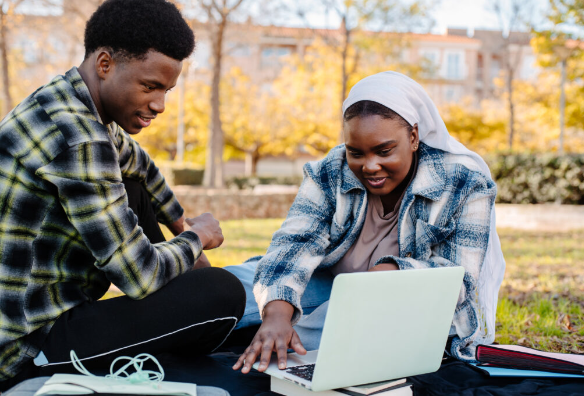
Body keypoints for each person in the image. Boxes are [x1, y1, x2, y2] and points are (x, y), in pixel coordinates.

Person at [0, 0, 245, 390]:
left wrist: (180, 222)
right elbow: (138, 275)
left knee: (133, 188)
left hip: (41, 315)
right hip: (25, 347)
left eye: (167, 89)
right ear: (105, 64)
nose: (160, 104)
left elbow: (141, 168)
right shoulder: (79, 138)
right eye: (150, 86)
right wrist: (198, 238)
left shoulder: (72, 101)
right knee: (223, 294)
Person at [227, 71, 506, 374]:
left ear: (413, 137)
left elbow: (460, 281)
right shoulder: (330, 170)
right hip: (328, 281)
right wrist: (277, 312)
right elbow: (296, 242)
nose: (370, 166)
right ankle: (256, 329)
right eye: (355, 152)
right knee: (230, 285)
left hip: (399, 306)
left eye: (384, 151)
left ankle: (252, 342)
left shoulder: (465, 182)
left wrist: (391, 274)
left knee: (326, 328)